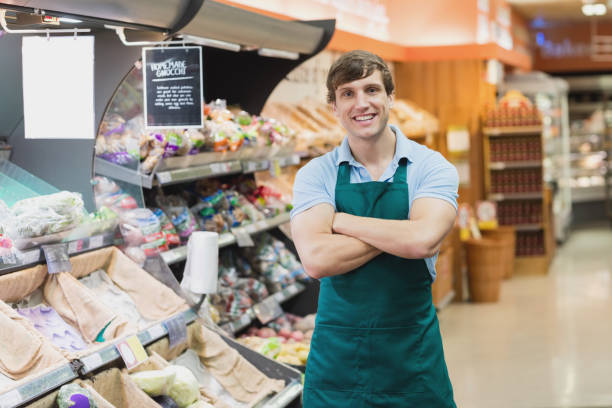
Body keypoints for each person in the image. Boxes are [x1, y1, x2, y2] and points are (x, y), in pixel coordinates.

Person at [290, 50, 458, 407]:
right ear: (334, 108)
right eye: (347, 93)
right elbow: (317, 259)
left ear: (390, 97)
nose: (361, 103)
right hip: (336, 366)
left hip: (411, 361)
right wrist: (403, 232)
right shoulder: (315, 174)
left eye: (371, 90)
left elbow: (424, 240)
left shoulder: (429, 167)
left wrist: (341, 221)